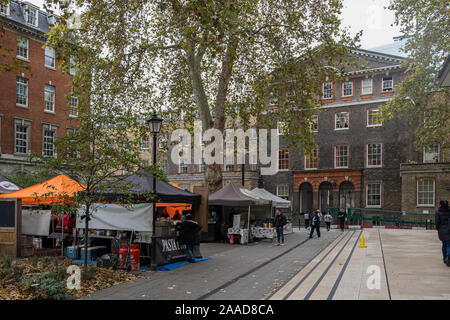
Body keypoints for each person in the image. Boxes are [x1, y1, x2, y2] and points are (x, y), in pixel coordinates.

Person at [435, 200, 450, 266]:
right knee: (449, 245)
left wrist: (438, 228)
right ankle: (448, 257)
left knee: (444, 244)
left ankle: (445, 258)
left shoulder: (438, 212)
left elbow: (437, 222)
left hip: (442, 230)